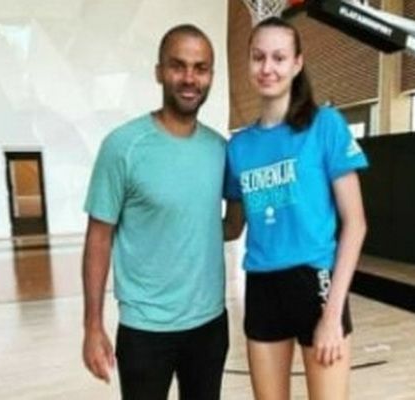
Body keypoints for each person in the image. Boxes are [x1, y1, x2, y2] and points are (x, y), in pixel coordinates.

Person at [223, 17, 368, 400]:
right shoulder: (238, 148)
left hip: (315, 285)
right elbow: (231, 227)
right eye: (258, 57)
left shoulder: (325, 126)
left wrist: (332, 314)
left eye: (279, 57)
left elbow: (355, 224)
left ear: (297, 63)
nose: (267, 67)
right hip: (262, 287)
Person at [81, 24, 228, 400]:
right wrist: (92, 326)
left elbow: (227, 226)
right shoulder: (123, 146)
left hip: (210, 325)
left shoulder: (220, 149)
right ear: (159, 71)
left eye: (201, 68)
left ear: (211, 75)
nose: (190, 78)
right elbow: (98, 239)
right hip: (145, 330)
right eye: (178, 66)